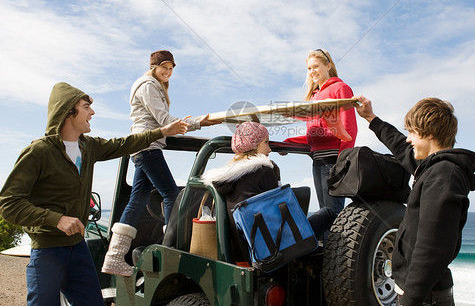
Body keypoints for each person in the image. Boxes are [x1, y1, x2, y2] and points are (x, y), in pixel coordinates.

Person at [0, 82, 188, 306]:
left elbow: (124, 143)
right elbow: (8, 204)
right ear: (68, 111)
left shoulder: (88, 147)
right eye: (86, 106)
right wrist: (56, 220)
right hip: (48, 251)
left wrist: (163, 131)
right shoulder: (39, 152)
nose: (92, 112)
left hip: (78, 248)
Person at [354, 95, 475, 306]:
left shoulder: (443, 176)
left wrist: (410, 300)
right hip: (418, 293)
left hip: (424, 297)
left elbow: (433, 248)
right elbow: (400, 147)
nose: (408, 138)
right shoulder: (432, 169)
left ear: (429, 133)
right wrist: (371, 118)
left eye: (412, 132)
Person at [102, 50, 219, 276]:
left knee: (138, 199)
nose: (167, 72)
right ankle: (170, 249)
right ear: (154, 67)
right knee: (171, 195)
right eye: (164, 67)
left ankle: (115, 257)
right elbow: (164, 121)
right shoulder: (148, 85)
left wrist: (198, 123)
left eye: (171, 68)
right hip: (147, 147)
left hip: (144, 147)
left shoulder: (156, 86)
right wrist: (199, 123)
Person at [202, 121, 336, 264]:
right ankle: (337, 262)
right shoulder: (263, 171)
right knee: (327, 213)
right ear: (253, 145)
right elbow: (283, 215)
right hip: (272, 248)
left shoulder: (226, 178)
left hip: (245, 250)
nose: (270, 149)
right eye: (266, 142)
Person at [285, 49, 357, 216]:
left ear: (328, 66)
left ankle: (305, 239)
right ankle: (318, 241)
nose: (312, 72)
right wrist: (289, 143)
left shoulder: (340, 88)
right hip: (317, 161)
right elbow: (315, 134)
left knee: (331, 213)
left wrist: (341, 162)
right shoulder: (314, 97)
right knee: (325, 213)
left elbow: (349, 129)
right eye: (309, 68)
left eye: (316, 66)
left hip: (333, 160)